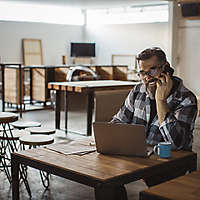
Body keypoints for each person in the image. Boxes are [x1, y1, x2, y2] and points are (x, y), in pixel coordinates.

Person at [111, 47, 197, 150]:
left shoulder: (187, 99)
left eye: (152, 70)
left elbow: (176, 144)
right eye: (143, 73)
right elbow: (119, 121)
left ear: (166, 68)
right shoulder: (138, 90)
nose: (147, 77)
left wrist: (160, 101)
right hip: (138, 156)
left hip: (169, 161)